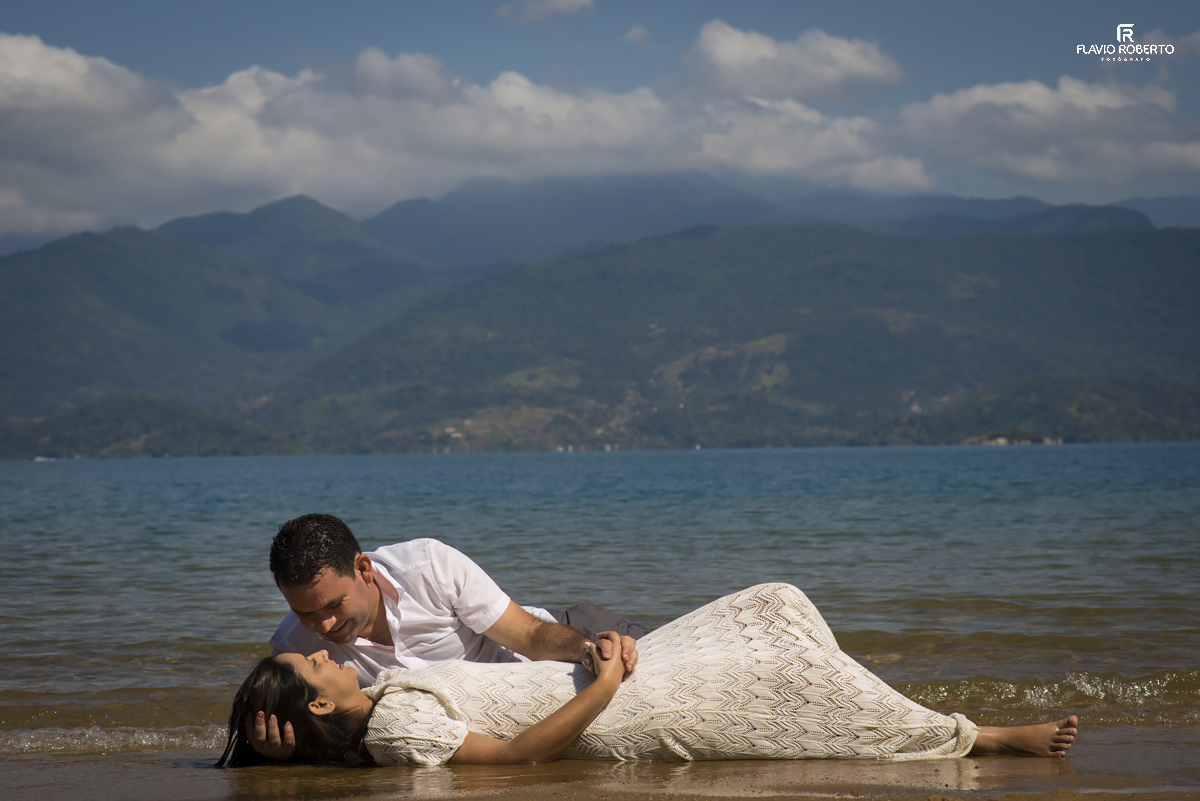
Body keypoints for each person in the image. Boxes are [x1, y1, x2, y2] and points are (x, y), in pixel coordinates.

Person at [220, 583, 1078, 767]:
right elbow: (515, 759)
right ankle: (983, 737)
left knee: (778, 608)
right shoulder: (396, 729)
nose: (321, 645)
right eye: (311, 660)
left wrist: (595, 653)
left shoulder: (386, 699)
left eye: (316, 640)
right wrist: (602, 690)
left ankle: (956, 729)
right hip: (620, 706)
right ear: (321, 699)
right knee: (810, 693)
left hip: (611, 679)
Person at [252, 513, 646, 760]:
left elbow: (527, 634)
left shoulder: (429, 567)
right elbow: (323, 726)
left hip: (562, 637)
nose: (323, 626)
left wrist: (587, 648)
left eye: (333, 605)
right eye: (305, 613)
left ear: (365, 569)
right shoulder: (294, 649)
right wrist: (280, 752)